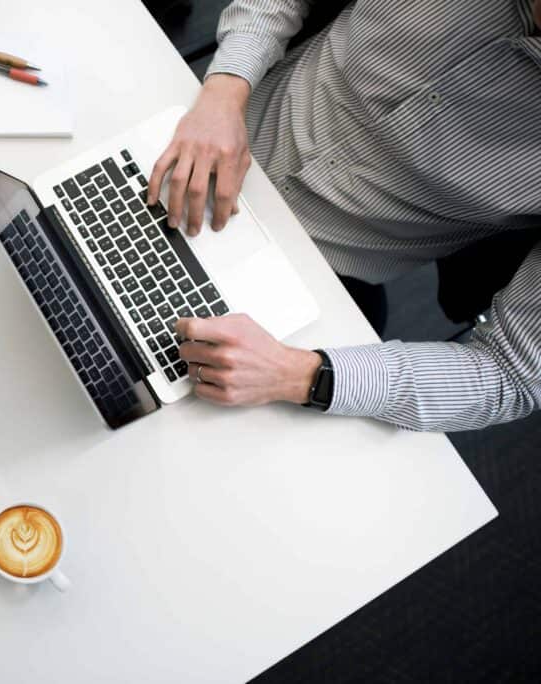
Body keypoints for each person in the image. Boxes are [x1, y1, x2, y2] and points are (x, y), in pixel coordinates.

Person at [151, 0, 541, 431]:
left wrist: (299, 374)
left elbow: (510, 373)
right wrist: (225, 90)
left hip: (309, 280)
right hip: (197, 126)